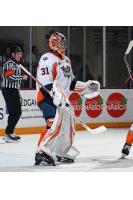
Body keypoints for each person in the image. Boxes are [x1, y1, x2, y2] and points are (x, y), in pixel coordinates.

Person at [35, 32, 100, 166]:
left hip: (61, 98)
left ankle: (62, 151)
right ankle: (41, 152)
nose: (63, 45)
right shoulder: (47, 58)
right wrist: (56, 95)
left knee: (67, 124)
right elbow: (45, 82)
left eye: (64, 43)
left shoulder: (67, 60)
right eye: (60, 42)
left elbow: (71, 83)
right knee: (53, 122)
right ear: (53, 44)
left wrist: (85, 87)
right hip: (47, 96)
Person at [1, 46, 28, 143]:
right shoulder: (11, 64)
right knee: (16, 113)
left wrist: (18, 91)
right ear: (12, 54)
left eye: (20, 54)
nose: (20, 55)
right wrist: (22, 77)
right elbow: (9, 77)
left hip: (12, 90)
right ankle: (8, 133)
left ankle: (10, 132)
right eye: (18, 54)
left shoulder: (15, 64)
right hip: (9, 90)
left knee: (14, 113)